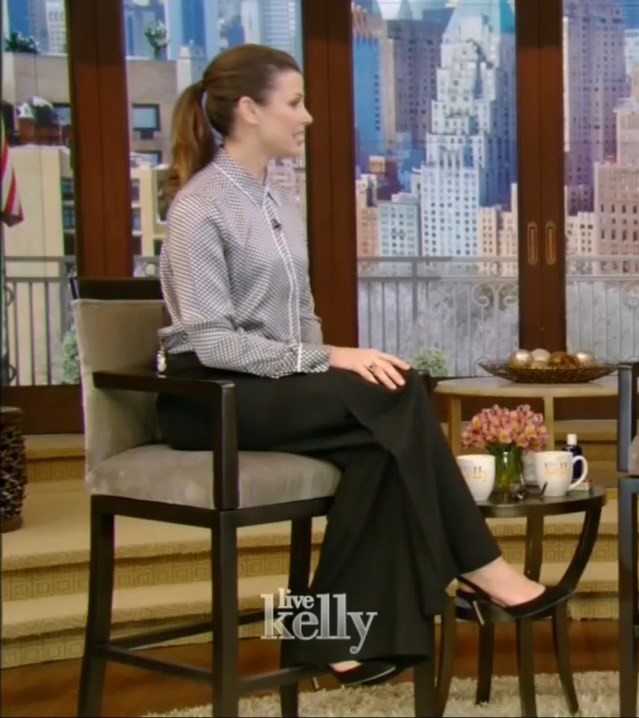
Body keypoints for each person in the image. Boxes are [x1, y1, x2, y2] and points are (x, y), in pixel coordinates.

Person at [153, 44, 570, 686]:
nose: (308, 117)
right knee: (397, 395)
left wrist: (328, 364)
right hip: (210, 396)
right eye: (295, 103)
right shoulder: (198, 207)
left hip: (271, 384)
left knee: (384, 441)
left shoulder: (275, 201)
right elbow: (213, 344)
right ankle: (480, 565)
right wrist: (332, 359)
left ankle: (322, 637)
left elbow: (302, 316)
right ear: (249, 110)